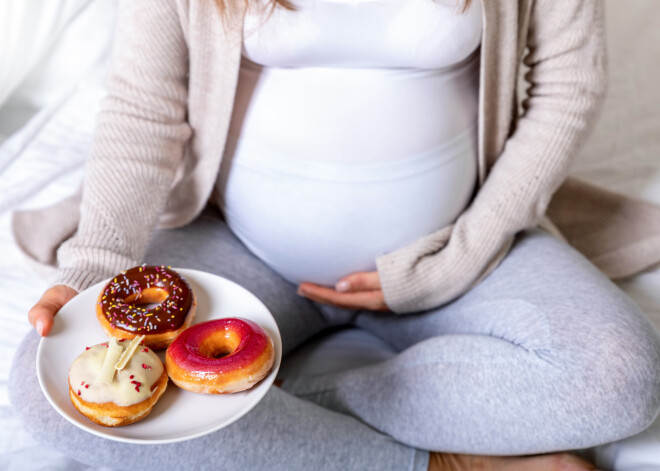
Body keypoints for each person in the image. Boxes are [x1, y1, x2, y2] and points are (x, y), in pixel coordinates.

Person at [11, 0, 660, 470]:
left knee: (619, 382)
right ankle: (442, 464)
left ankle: (282, 396)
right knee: (50, 398)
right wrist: (96, 267)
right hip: (245, 248)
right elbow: (144, 105)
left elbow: (568, 88)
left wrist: (453, 260)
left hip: (456, 249)